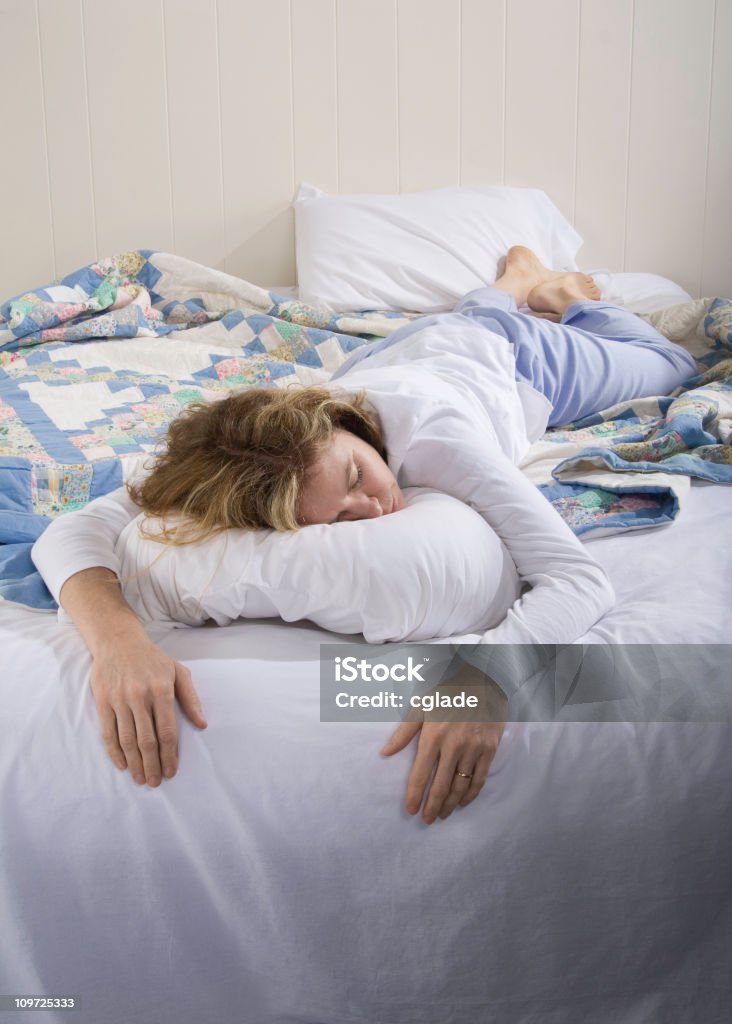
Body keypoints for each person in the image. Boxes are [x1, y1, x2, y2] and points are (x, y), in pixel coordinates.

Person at [32, 247, 697, 824]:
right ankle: (507, 286)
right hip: (394, 349)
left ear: (340, 421)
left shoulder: (438, 438)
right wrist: (118, 642)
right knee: (465, 318)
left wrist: (491, 677)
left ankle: (545, 293)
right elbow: (73, 529)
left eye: (357, 474)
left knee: (669, 362)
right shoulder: (241, 452)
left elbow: (579, 578)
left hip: (517, 360)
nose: (375, 508)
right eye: (341, 517)